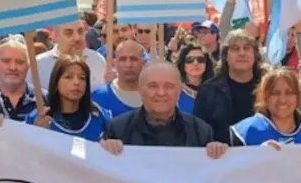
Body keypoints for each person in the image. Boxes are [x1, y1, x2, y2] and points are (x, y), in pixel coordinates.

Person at [99, 61, 228, 158]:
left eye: (169, 86)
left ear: (179, 91)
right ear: (140, 90)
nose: (161, 93)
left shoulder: (201, 131)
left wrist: (217, 152)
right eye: (153, 86)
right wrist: (106, 149)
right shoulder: (117, 129)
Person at [230, 68, 301, 147]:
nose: (283, 100)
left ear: (297, 97)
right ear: (265, 97)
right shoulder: (245, 132)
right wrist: (258, 155)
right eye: (275, 93)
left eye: (289, 93)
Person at [194, 30, 263, 143]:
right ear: (225, 56)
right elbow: (198, 133)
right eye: (235, 48)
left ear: (255, 55)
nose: (242, 53)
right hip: (220, 158)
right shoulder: (208, 91)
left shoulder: (268, 87)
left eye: (246, 48)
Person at [27, 56, 111, 141]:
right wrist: (36, 132)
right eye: (68, 77)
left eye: (82, 78)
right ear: (56, 82)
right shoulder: (38, 118)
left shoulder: (100, 117)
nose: (76, 82)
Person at [30, 18, 107, 91]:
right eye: (69, 33)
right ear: (55, 36)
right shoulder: (38, 65)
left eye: (80, 31)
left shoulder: (98, 60)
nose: (77, 38)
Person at [0, 35, 39, 121]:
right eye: (6, 61)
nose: (13, 67)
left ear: (28, 66)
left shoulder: (42, 99)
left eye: (20, 62)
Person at [91, 40, 145, 117]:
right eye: (123, 59)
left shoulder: (154, 96)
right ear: (115, 63)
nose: (128, 64)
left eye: (133, 59)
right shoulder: (99, 97)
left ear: (143, 63)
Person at [175, 42, 213, 113]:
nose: (195, 63)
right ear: (183, 64)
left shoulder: (215, 90)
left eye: (200, 60)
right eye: (189, 60)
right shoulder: (175, 91)